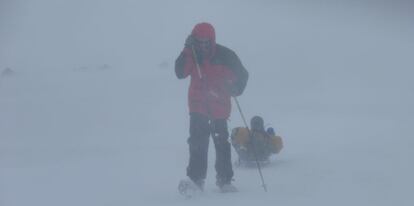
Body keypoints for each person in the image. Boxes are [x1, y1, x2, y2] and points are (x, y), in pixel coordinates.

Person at [175, 22, 248, 192]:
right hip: (197, 106)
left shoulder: (226, 55)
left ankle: (225, 181)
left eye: (206, 41)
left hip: (219, 107)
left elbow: (243, 74)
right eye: (198, 41)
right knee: (197, 142)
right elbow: (180, 73)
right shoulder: (190, 54)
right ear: (193, 40)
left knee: (221, 143)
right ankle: (196, 180)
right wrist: (187, 50)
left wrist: (236, 88)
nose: (202, 45)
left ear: (212, 40)